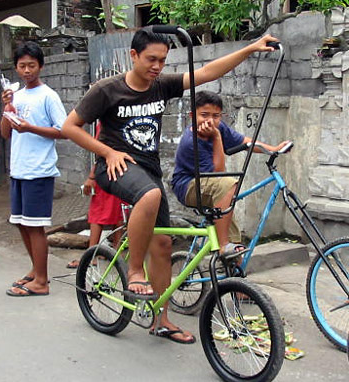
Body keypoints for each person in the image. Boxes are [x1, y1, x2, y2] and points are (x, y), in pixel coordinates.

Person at [61, 27, 279, 344]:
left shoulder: (161, 85)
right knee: (148, 195)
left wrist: (250, 48)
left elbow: (206, 71)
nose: (157, 67)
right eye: (151, 59)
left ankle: (161, 320)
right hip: (115, 166)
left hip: (147, 169)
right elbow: (70, 127)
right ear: (133, 55)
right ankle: (135, 270)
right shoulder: (107, 90)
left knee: (163, 244)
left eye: (162, 61)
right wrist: (107, 152)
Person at [172, 90, 289, 256]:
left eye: (216, 116)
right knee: (227, 185)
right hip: (188, 186)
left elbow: (244, 142)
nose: (210, 120)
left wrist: (273, 149)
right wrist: (217, 138)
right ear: (192, 115)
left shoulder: (218, 127)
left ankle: (234, 273)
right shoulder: (191, 142)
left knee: (230, 226)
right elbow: (218, 175)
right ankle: (223, 244)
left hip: (209, 184)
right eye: (204, 115)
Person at [0, 41, 67, 296]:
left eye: (31, 65)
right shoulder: (15, 95)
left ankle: (41, 281)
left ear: (41, 66)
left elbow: (64, 131)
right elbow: (5, 133)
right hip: (18, 168)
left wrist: (30, 128)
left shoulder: (48, 96)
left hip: (39, 170)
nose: (27, 70)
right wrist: (7, 107)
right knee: (21, 223)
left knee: (35, 225)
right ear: (16, 68)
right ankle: (35, 270)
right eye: (22, 65)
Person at [67, 123, 126, 269]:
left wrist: (92, 177)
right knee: (118, 213)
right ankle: (116, 255)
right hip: (124, 170)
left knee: (97, 213)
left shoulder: (107, 122)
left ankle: (90, 256)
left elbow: (101, 151)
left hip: (107, 170)